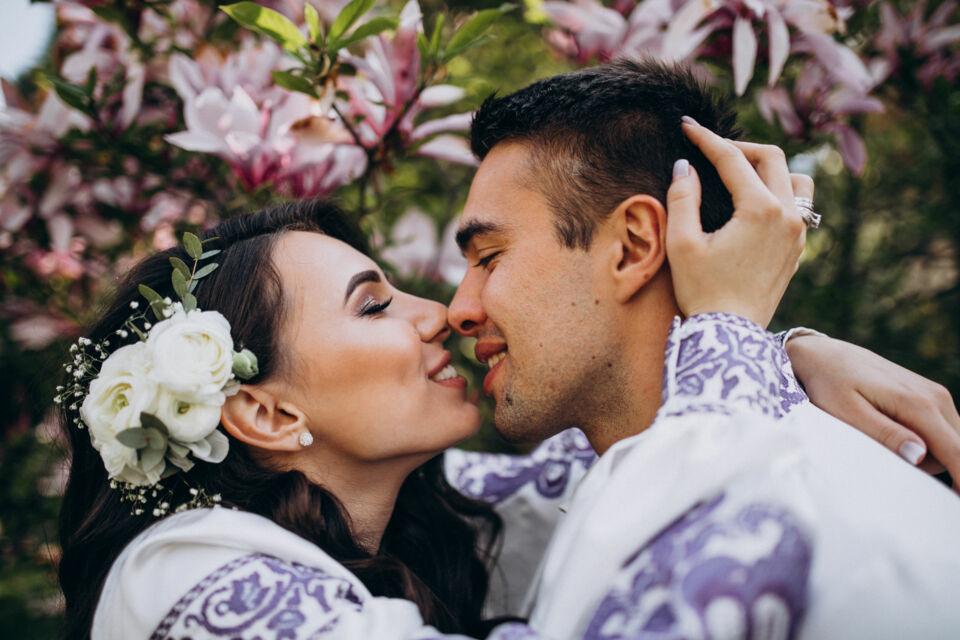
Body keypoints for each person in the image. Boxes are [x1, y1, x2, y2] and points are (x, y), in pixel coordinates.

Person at [448, 58, 960, 637]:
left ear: (634, 245)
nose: (458, 310)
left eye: (490, 258)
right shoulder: (603, 473)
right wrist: (780, 349)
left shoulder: (818, 518)